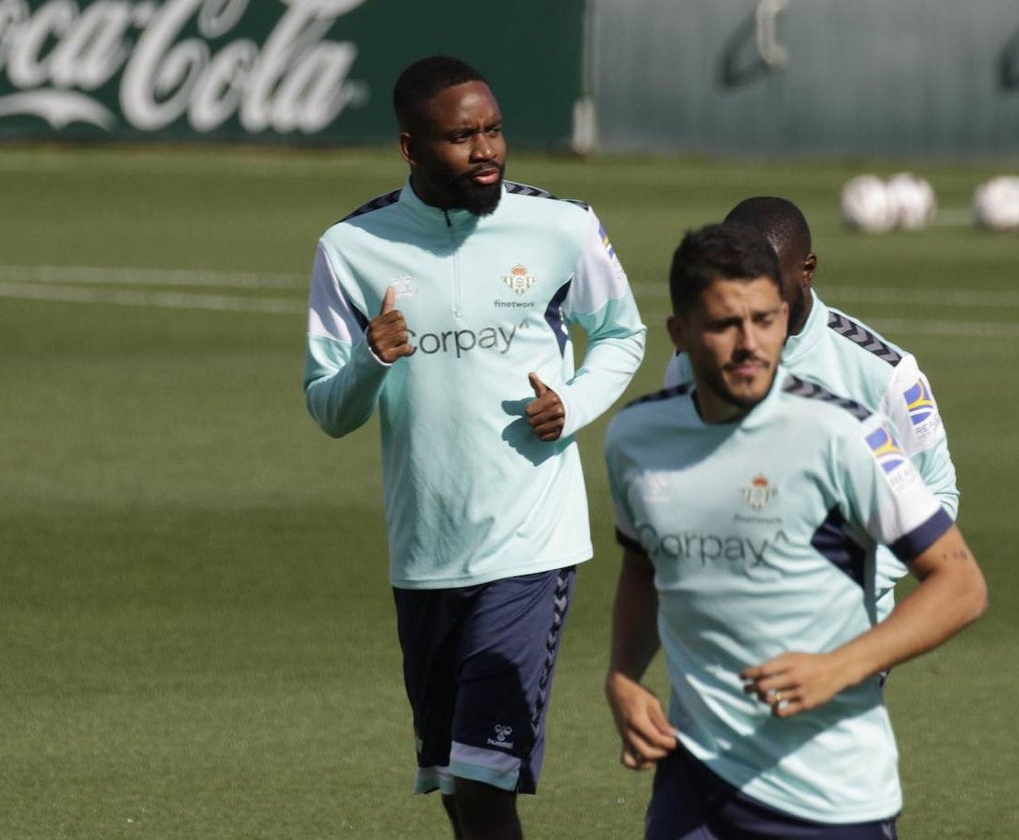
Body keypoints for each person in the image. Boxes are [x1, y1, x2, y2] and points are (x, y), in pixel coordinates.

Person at [303, 55, 647, 839]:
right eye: (462, 137)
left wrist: (575, 402)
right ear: (410, 148)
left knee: (487, 783)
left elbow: (624, 333)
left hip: (528, 549)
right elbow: (328, 409)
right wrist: (372, 356)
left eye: (493, 130)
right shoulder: (351, 248)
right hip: (423, 557)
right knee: (459, 788)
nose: (486, 150)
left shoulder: (561, 226)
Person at [604, 223, 986, 838]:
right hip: (694, 780)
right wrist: (622, 676)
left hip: (830, 794)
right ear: (680, 334)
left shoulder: (847, 434)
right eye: (726, 324)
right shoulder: (635, 439)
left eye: (764, 320)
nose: (749, 343)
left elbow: (962, 584)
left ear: (786, 316)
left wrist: (841, 666)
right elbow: (643, 567)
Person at [664, 196, 959, 621]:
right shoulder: (696, 360)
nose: (750, 298)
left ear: (806, 270)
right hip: (728, 621)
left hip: (846, 627)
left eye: (766, 279)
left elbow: (938, 489)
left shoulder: (884, 372)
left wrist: (861, 574)